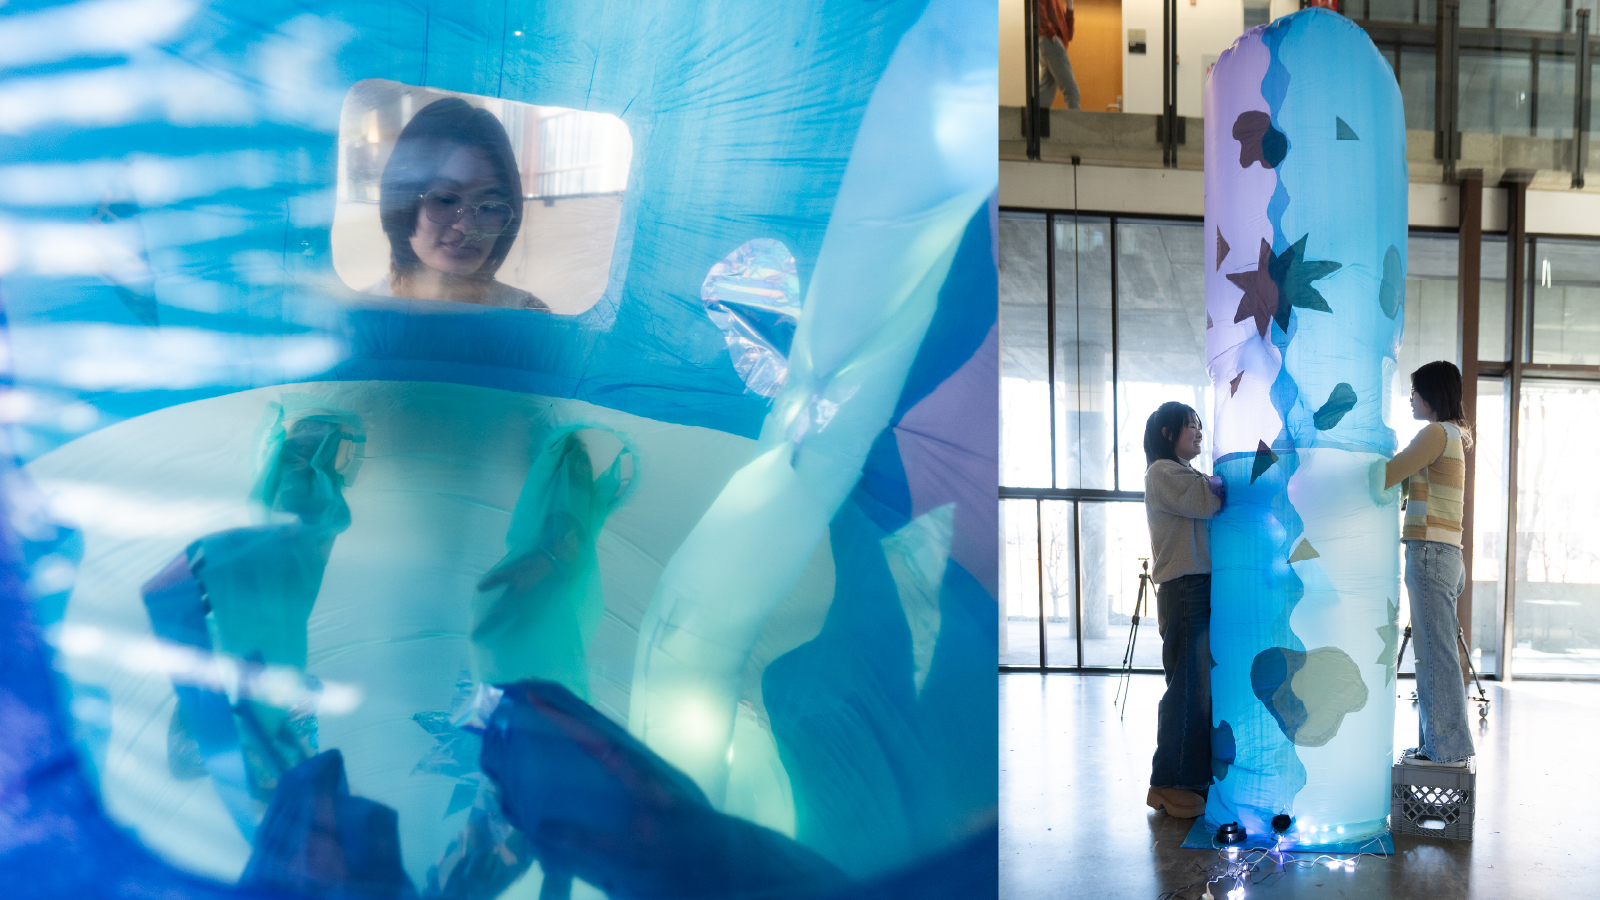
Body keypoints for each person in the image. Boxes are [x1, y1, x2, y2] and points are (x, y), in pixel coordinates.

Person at [1371, 361, 1474, 767]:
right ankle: (1436, 745)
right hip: (1446, 553)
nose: (1410, 398)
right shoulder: (1452, 434)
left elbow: (1386, 474)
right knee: (1434, 652)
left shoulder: (1434, 433)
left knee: (1434, 654)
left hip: (1431, 552)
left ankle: (1445, 749)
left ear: (1431, 394)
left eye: (1414, 391)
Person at [370, 97, 548, 310]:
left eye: (489, 207)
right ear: (402, 202)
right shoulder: (361, 314)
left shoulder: (529, 315)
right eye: (445, 199)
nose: (468, 226)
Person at [1142, 401, 1224, 818]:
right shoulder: (1162, 473)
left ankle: (1189, 777)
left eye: (1199, 426)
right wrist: (1222, 484)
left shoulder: (1184, 472)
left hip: (1197, 585)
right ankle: (1168, 783)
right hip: (1185, 586)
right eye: (1189, 426)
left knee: (1198, 688)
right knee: (1188, 689)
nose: (1198, 432)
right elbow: (1207, 501)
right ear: (1166, 432)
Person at [1037, 0, 1080, 112]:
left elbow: (1068, 35)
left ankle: (1035, 126)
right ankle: (1075, 127)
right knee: (1072, 91)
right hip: (1050, 40)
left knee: (1046, 88)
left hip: (1049, 40)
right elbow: (1037, 8)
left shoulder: (1058, 3)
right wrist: (1050, 33)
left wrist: (1070, 5)